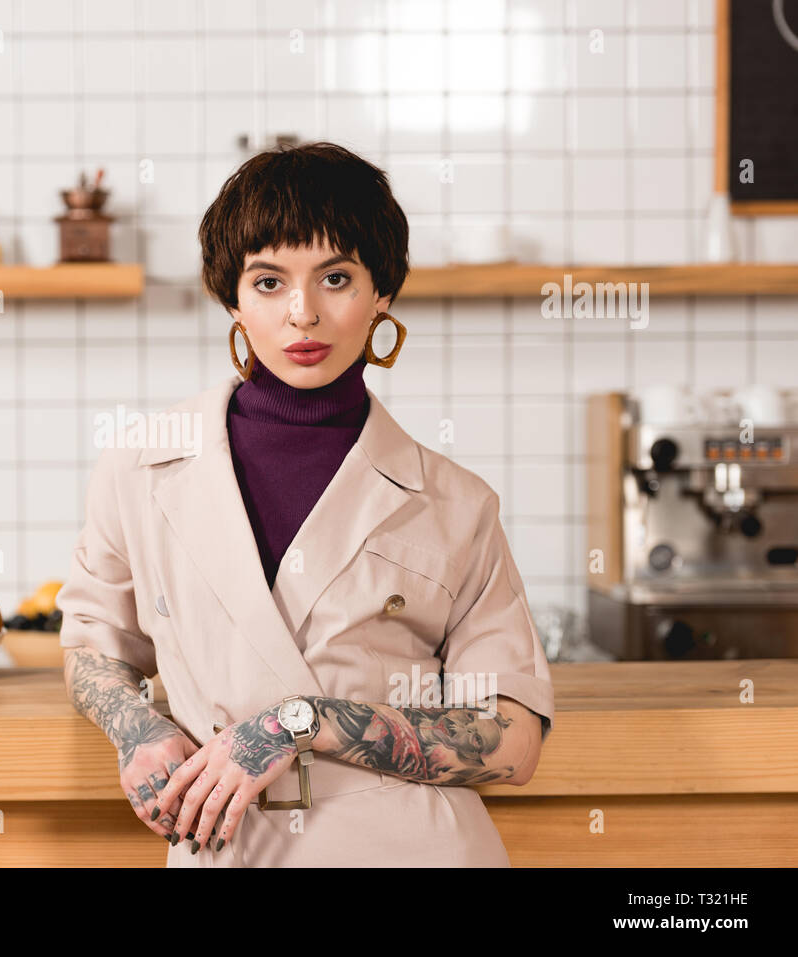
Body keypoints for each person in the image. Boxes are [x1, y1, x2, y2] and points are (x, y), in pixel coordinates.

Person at [57, 142, 554, 867]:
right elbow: (94, 646)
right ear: (233, 298)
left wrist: (304, 721)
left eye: (336, 278)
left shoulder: (456, 502)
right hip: (226, 846)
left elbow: (512, 741)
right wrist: (136, 728)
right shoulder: (140, 465)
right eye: (268, 282)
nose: (304, 314)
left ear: (382, 291)